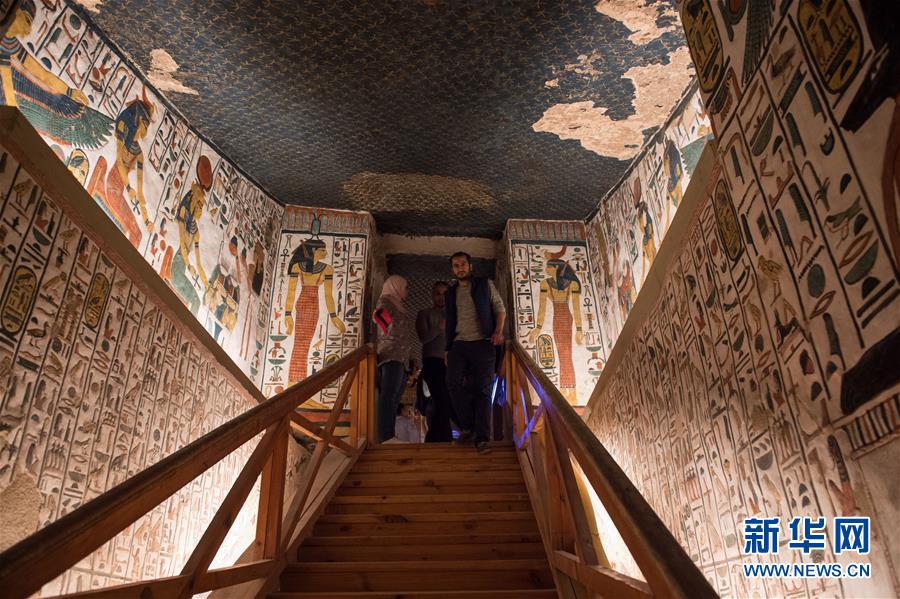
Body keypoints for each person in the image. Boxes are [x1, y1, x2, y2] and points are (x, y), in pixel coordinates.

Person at [445, 252, 506, 453]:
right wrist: (447, 348)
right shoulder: (450, 292)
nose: (460, 268)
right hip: (459, 344)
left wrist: (498, 331)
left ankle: (482, 438)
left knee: (483, 390)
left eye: (463, 264)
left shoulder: (484, 284)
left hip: (483, 343)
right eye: (456, 265)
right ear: (452, 270)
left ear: (470, 266)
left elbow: (499, 308)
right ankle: (468, 426)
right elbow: (450, 321)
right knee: (452, 383)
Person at [373, 275, 412, 443]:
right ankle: (385, 436)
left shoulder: (398, 305)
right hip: (391, 354)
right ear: (396, 286)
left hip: (401, 357)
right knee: (388, 396)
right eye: (405, 287)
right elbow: (379, 316)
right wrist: (389, 330)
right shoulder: (386, 301)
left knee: (395, 398)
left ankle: (389, 434)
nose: (407, 291)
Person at [416, 281, 453, 442]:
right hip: (432, 362)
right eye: (438, 293)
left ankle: (442, 439)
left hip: (451, 363)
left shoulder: (453, 315)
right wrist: (439, 327)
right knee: (441, 400)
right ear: (432, 295)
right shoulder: (424, 314)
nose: (441, 297)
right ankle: (435, 440)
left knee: (446, 401)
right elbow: (423, 338)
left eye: (445, 294)